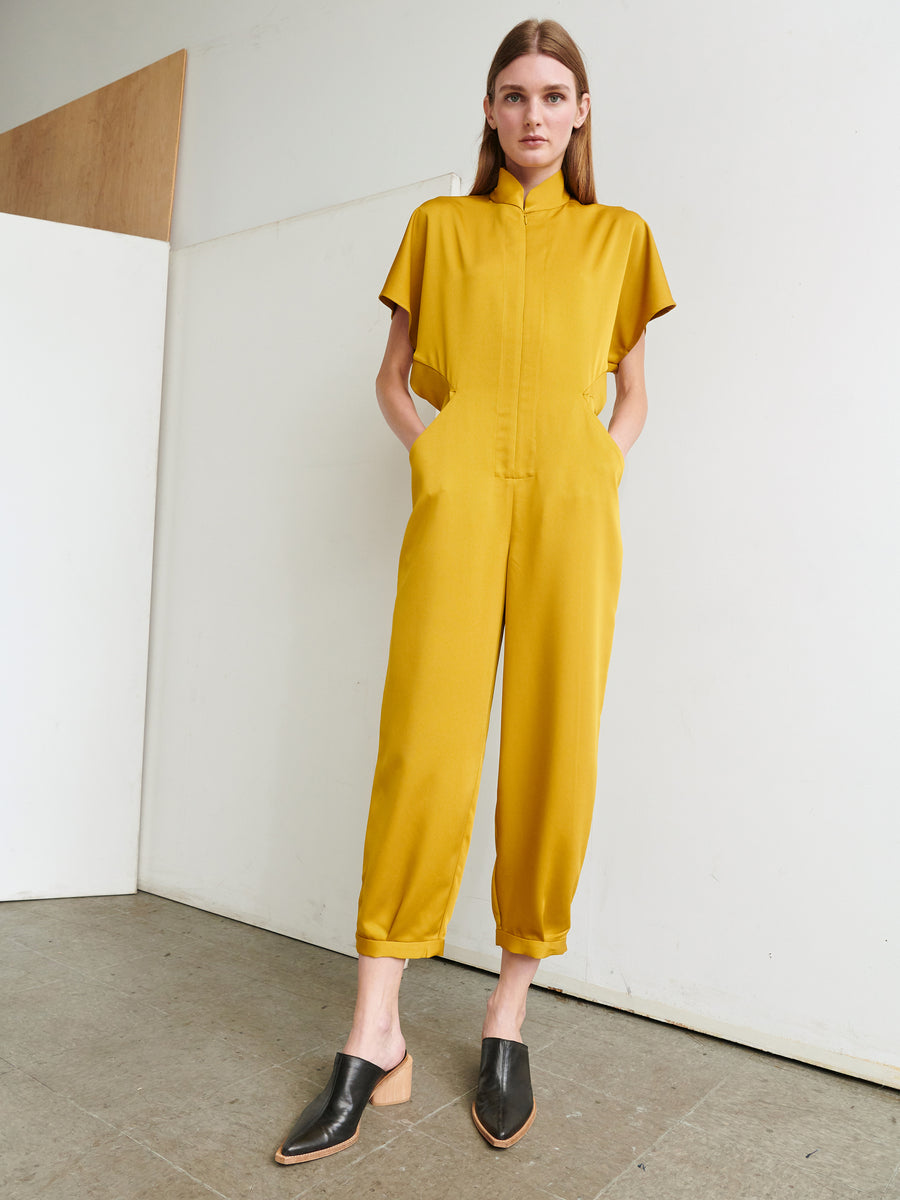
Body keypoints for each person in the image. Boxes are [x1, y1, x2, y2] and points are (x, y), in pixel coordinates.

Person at [275, 17, 675, 1164]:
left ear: (582, 111)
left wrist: (601, 458)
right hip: (460, 502)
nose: (535, 113)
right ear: (490, 111)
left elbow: (635, 393)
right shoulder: (439, 228)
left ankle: (507, 1016)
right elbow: (395, 377)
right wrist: (432, 456)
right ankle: (373, 1035)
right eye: (514, 94)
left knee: (556, 743)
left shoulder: (621, 239)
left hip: (570, 510)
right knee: (425, 747)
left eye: (555, 94)